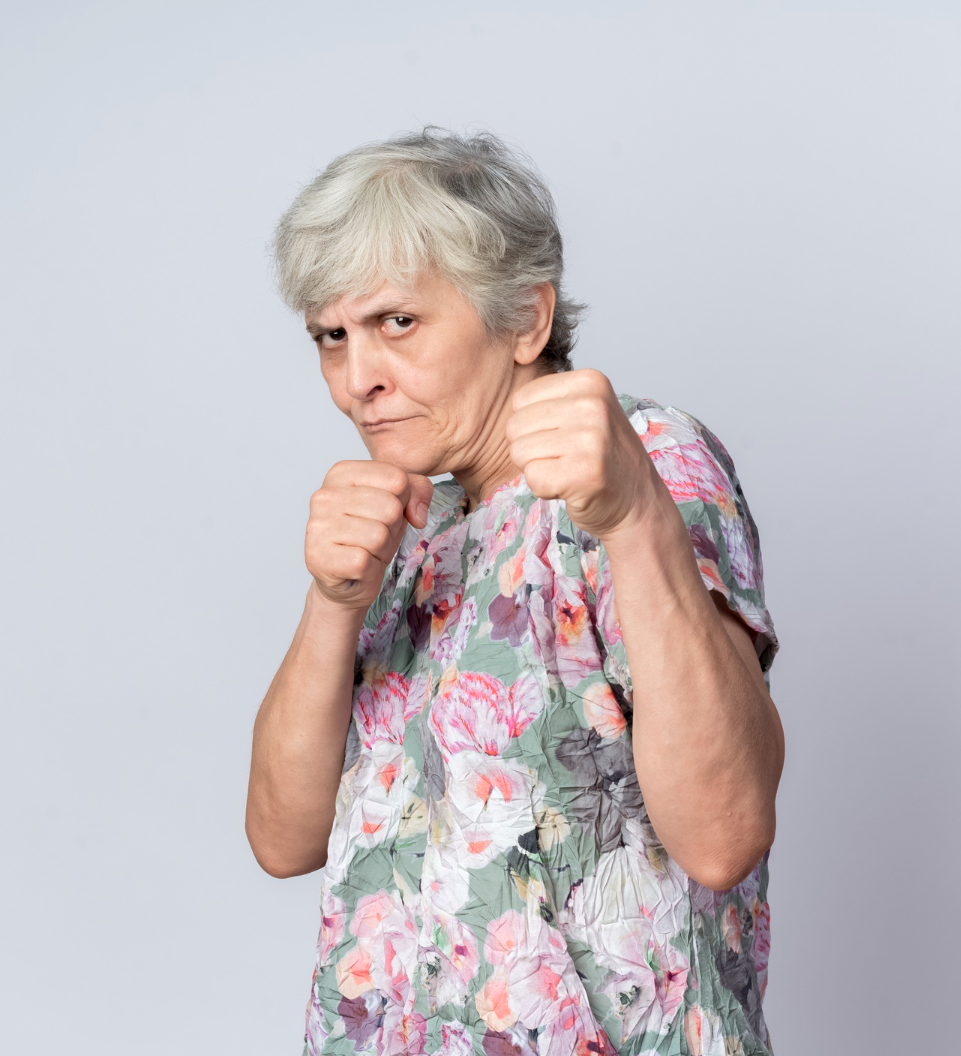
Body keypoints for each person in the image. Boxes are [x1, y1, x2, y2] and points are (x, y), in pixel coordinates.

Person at [246, 127, 785, 1056]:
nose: (358, 379)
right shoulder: (409, 531)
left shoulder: (643, 461)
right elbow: (282, 840)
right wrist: (334, 602)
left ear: (525, 321)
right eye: (331, 337)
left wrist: (640, 522)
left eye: (396, 323)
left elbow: (726, 832)